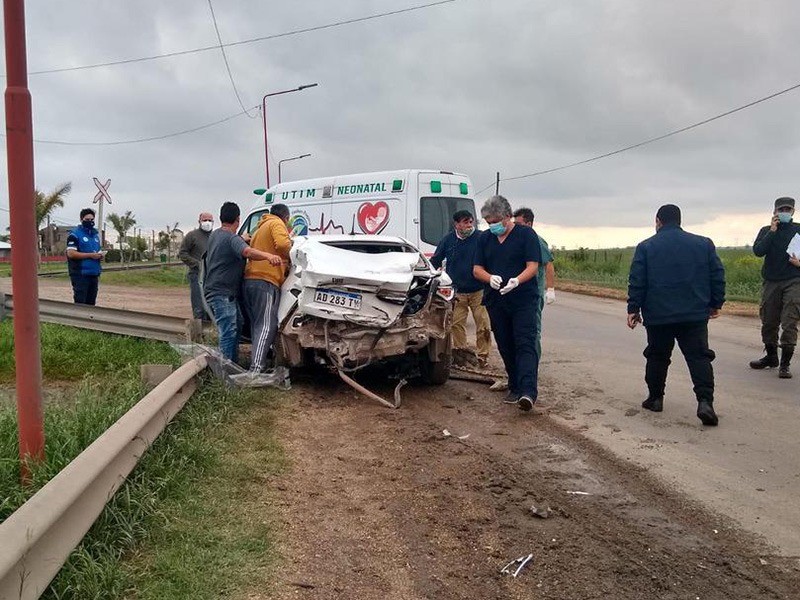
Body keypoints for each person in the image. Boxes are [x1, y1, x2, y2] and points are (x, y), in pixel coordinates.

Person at [626, 204, 725, 427]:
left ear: (658, 221)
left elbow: (637, 280)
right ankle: (705, 402)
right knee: (699, 358)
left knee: (657, 356)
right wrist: (716, 303)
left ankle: (655, 398)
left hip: (659, 316)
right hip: (694, 315)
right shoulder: (703, 244)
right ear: (679, 221)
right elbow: (717, 274)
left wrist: (633, 309)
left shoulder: (646, 247)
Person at [473, 195, 542, 412]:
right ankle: (514, 384)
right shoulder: (485, 239)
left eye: (495, 221)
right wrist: (489, 278)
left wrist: (517, 280)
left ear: (507, 217)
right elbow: (477, 269)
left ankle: (528, 391)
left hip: (523, 299)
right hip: (496, 300)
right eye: (488, 222)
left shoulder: (526, 235)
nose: (492, 226)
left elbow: (533, 266)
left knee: (525, 342)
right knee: (505, 343)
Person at [203, 202, 282, 363]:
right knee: (229, 330)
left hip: (216, 290)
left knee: (238, 323)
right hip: (222, 293)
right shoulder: (232, 239)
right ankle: (225, 369)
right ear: (238, 220)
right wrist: (268, 256)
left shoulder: (216, 235)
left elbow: (236, 243)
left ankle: (232, 363)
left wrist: (243, 238)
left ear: (220, 218)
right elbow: (246, 251)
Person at [430, 210, 491, 367]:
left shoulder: (481, 238)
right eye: (465, 222)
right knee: (456, 324)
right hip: (457, 291)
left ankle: (483, 356)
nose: (468, 225)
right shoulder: (448, 240)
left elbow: (491, 256)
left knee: (483, 323)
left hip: (479, 290)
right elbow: (436, 260)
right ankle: (461, 354)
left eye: (471, 222)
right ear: (456, 224)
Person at [750, 196, 800, 378]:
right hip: (771, 281)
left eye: (787, 210)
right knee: (769, 321)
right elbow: (758, 251)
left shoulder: (799, 231)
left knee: (790, 320)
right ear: (774, 212)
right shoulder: (766, 231)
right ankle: (771, 356)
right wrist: (772, 231)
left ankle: (785, 364)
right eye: (781, 210)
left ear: (793, 211)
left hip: (794, 280)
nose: (784, 213)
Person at [243, 203, 292, 373]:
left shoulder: (261, 227)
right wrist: (293, 252)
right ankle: (256, 369)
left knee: (258, 324)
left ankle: (257, 363)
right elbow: (283, 245)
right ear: (285, 218)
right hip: (266, 279)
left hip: (251, 279)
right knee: (267, 325)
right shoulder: (277, 223)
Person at [513, 207, 557, 358]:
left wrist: (550, 289)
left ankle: (533, 361)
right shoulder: (516, 240)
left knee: (532, 330)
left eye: (519, 224)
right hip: (517, 292)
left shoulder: (536, 240)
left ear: (529, 223)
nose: (515, 227)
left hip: (534, 293)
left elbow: (548, 264)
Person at [179, 211, 214, 321]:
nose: (207, 222)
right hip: (196, 274)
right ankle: (198, 329)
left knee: (211, 304)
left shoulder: (215, 236)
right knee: (199, 304)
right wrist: (197, 264)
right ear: (199, 221)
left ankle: (209, 329)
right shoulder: (192, 236)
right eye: (205, 220)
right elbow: (182, 253)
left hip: (211, 276)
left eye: (210, 220)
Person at [66, 208, 103, 305]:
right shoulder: (75, 235)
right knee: (81, 302)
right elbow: (71, 253)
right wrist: (91, 255)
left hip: (94, 274)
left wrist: (99, 255)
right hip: (80, 274)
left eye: (92, 220)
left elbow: (96, 251)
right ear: (81, 219)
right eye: (87, 220)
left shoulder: (95, 236)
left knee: (91, 303)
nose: (90, 222)